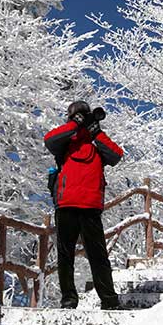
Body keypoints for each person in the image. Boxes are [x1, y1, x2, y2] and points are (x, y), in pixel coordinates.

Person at [44, 101, 124, 310]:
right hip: (71, 204)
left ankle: (106, 299)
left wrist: (96, 132)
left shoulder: (96, 145)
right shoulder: (65, 142)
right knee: (72, 255)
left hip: (85, 206)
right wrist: (74, 125)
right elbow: (49, 140)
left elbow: (116, 155)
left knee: (93, 256)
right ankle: (75, 300)